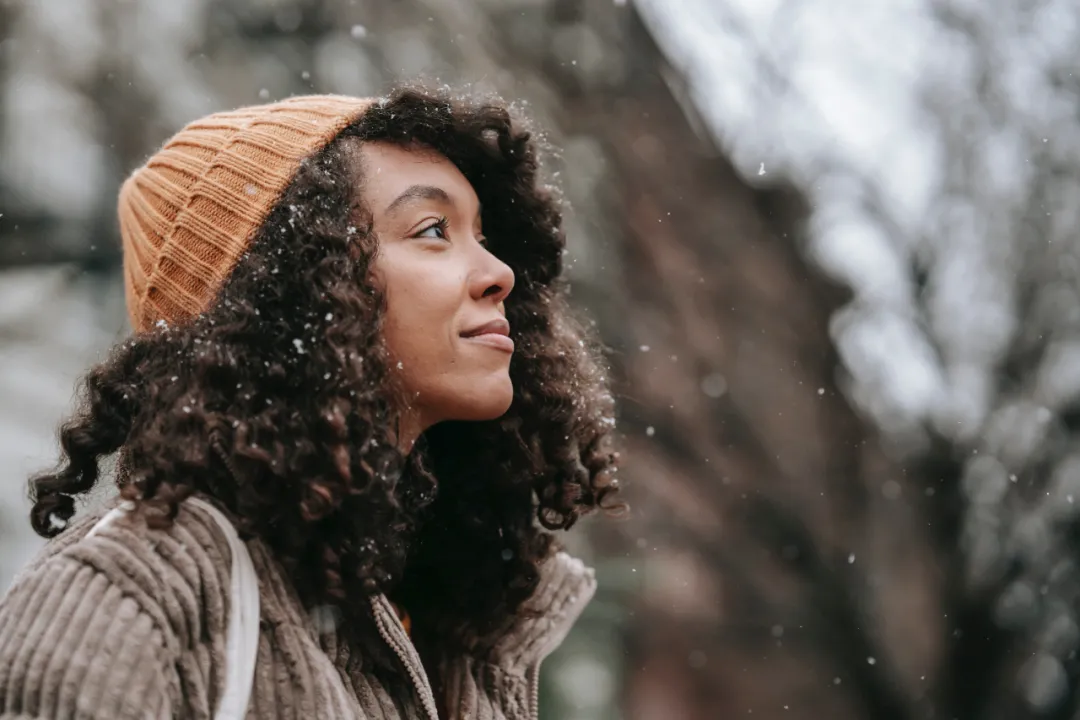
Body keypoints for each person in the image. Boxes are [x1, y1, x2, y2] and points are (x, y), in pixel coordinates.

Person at [0, 87, 620, 719]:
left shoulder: (446, 620)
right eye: (433, 230)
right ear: (295, 292)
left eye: (481, 236)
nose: (499, 273)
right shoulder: (133, 590)